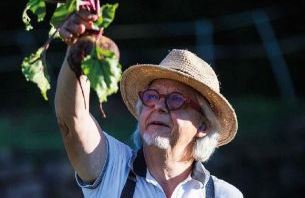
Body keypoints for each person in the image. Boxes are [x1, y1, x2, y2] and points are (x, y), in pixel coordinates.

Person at [55, 10, 243, 198]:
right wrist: (79, 49)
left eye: (176, 100)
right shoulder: (112, 167)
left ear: (203, 125)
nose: (159, 106)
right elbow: (72, 120)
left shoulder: (223, 194)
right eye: (152, 96)